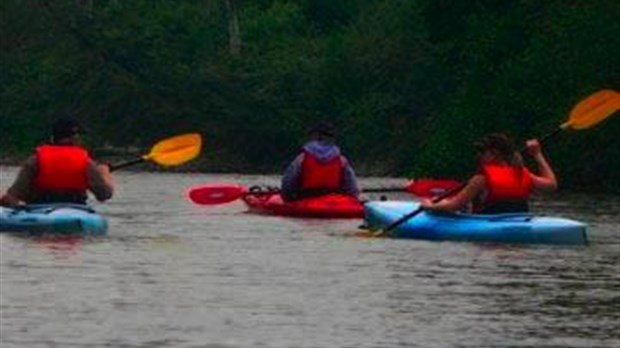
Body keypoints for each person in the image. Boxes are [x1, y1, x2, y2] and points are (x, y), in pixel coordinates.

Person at [421, 133, 557, 214]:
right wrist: (538, 154)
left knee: (444, 205)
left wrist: (430, 206)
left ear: (494, 154)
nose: (478, 155)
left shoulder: (481, 178)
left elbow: (454, 206)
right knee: (445, 201)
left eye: (482, 151)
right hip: (518, 221)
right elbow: (552, 185)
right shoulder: (523, 173)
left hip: (488, 222)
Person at [0, 118, 114, 207]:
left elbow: (12, 199)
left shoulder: (35, 160)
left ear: (53, 137)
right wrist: (104, 172)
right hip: (76, 210)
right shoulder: (86, 162)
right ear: (75, 138)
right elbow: (104, 195)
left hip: (38, 210)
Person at [280, 122, 360, 201]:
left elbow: (288, 182)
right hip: (334, 197)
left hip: (307, 197)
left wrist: (288, 198)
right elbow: (352, 187)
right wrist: (351, 200)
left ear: (316, 136)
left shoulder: (302, 158)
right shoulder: (342, 160)